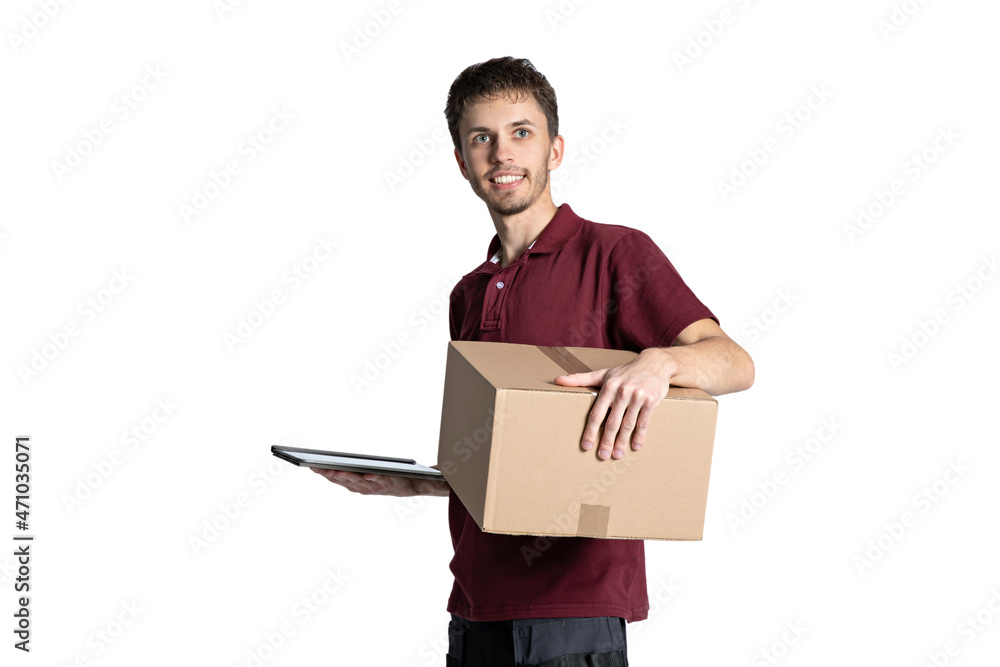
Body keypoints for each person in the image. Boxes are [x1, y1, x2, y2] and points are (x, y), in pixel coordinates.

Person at [313, 56, 754, 666]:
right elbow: (518, 462)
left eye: (522, 132)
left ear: (555, 149)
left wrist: (657, 363)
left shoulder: (614, 252)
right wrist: (412, 484)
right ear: (463, 162)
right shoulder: (468, 292)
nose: (502, 153)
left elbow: (734, 363)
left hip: (574, 609)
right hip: (474, 606)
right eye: (481, 139)